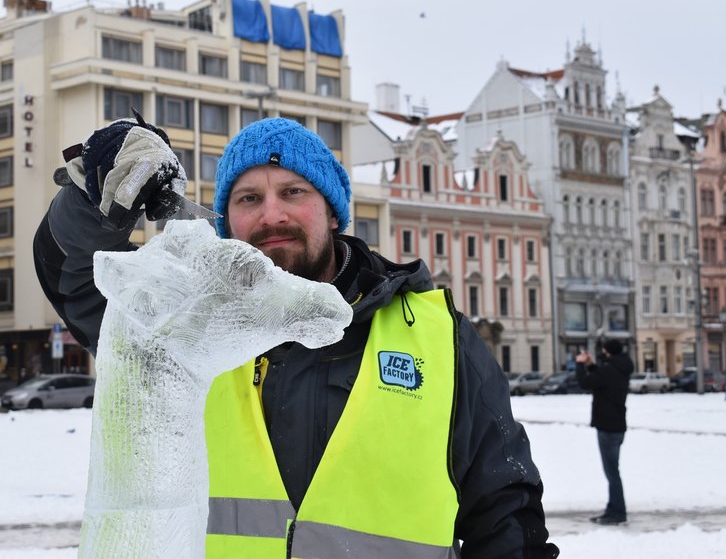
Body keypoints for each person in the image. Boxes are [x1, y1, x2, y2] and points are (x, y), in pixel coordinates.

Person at [34, 113, 559, 557]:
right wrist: (91, 190)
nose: (272, 214)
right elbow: (73, 277)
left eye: (292, 191)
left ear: (332, 210)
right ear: (225, 221)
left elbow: (504, 513)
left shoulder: (438, 336)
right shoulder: (182, 324)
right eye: (247, 198)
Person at [575, 340, 633, 525]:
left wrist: (579, 363)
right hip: (617, 425)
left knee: (612, 473)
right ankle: (614, 508)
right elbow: (600, 380)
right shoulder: (620, 367)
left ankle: (617, 512)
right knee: (613, 471)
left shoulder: (609, 370)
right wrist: (590, 365)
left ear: (607, 351)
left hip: (607, 427)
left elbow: (585, 383)